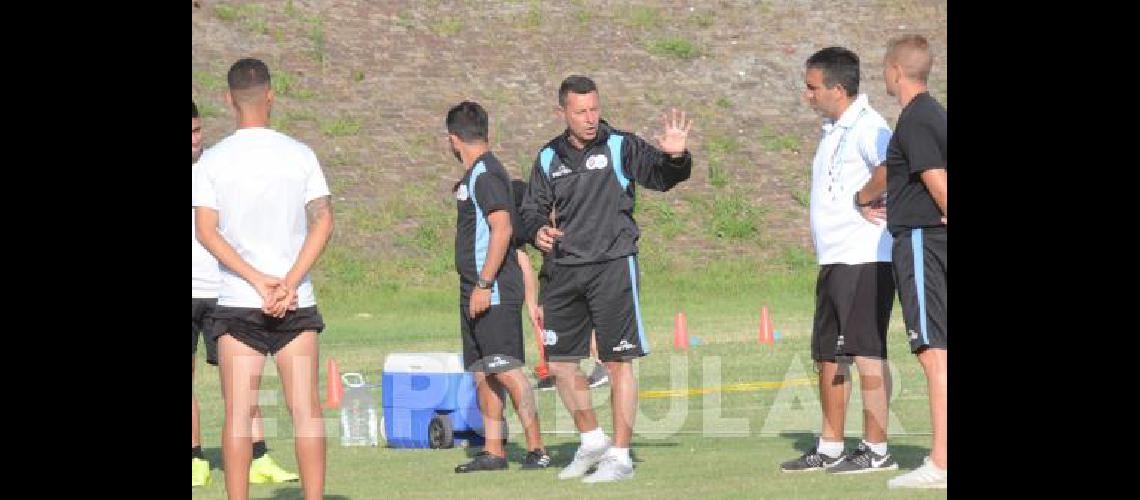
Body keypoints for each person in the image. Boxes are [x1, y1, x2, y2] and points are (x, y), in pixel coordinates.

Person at [519, 75, 693, 482]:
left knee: (617, 362)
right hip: (562, 272)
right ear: (563, 111)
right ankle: (592, 439)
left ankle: (620, 455)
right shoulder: (548, 157)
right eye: (580, 111)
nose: (590, 118)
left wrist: (675, 158)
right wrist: (535, 232)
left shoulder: (620, 146)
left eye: (594, 109)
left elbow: (664, 176)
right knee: (560, 366)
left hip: (612, 266)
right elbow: (530, 210)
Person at [193, 58, 334, 500]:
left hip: (237, 302)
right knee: (306, 411)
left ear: (228, 99)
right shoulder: (300, 154)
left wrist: (257, 281)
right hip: (296, 300)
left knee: (237, 414)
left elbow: (206, 231)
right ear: (271, 95)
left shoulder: (211, 161)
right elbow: (323, 221)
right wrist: (288, 282)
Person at [778, 47, 898, 475]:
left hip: (865, 257)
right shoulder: (833, 128)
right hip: (833, 261)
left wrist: (863, 197)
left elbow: (891, 165)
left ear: (838, 88)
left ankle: (877, 449)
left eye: (813, 88)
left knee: (867, 352)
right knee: (829, 355)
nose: (807, 95)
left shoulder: (869, 124)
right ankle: (830, 446)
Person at [192, 100, 298, 488]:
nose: (194, 140)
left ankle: (258, 455)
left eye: (197, 131)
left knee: (241, 383)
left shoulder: (219, 165)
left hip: (224, 292)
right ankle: (195, 458)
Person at [447, 101, 550, 473]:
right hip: (474, 285)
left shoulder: (486, 174)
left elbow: (503, 228)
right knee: (483, 370)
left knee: (505, 369)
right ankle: (494, 451)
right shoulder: (476, 173)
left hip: (491, 286)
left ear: (453, 139)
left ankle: (537, 448)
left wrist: (484, 283)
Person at [864, 34, 947, 490]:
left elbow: (938, 185)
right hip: (928, 240)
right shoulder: (935, 115)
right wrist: (868, 197)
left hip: (921, 243)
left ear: (895, 71)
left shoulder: (916, 120)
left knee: (934, 354)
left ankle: (939, 464)